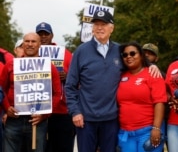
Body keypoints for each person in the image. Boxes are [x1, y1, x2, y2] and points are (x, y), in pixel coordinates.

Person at [65, 10, 161, 152]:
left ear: (112, 28)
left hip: (111, 119)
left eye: (103, 24)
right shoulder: (81, 51)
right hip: (85, 118)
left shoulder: (120, 50)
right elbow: (70, 86)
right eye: (96, 24)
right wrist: (75, 112)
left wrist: (151, 65)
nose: (99, 28)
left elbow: (136, 63)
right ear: (91, 28)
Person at [0, 32, 61, 152]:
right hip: (14, 120)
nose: (30, 44)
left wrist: (45, 115)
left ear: (39, 45)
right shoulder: (11, 65)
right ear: (22, 45)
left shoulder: (49, 67)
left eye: (33, 41)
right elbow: (1, 89)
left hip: (37, 121)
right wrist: (7, 108)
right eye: (27, 41)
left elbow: (57, 93)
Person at [117, 42, 167, 152]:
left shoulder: (153, 74)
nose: (128, 56)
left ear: (141, 55)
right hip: (125, 133)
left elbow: (160, 102)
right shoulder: (120, 76)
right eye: (125, 55)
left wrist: (156, 128)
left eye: (132, 53)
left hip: (147, 131)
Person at [35, 22, 75, 152]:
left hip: (62, 110)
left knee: (62, 147)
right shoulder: (31, 54)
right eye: (40, 34)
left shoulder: (65, 54)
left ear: (52, 35)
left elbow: (78, 76)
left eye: (46, 34)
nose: (43, 37)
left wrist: (67, 76)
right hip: (37, 111)